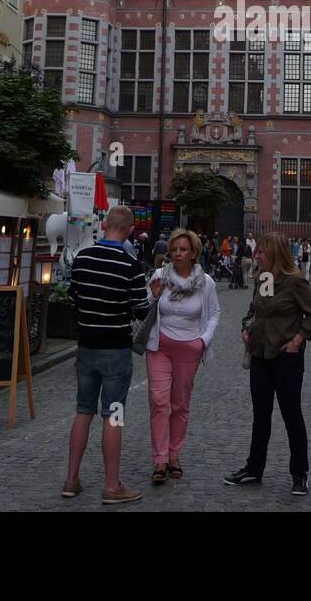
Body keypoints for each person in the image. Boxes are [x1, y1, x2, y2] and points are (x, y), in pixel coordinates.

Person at [63, 204, 151, 504]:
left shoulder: (83, 258)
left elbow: (73, 298)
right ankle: (112, 486)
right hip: (115, 348)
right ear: (129, 230)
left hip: (86, 346)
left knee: (82, 411)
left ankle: (71, 479)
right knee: (113, 416)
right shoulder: (130, 264)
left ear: (105, 226)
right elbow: (141, 309)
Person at [225, 233, 311, 496]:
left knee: (292, 415)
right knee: (261, 414)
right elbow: (255, 311)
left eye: (262, 252)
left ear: (275, 254)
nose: (258, 255)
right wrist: (247, 328)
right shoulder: (263, 279)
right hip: (260, 354)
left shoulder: (295, 282)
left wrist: (298, 339)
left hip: (286, 357)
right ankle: (254, 468)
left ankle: (300, 472)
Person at [145, 229, 220, 485]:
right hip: (160, 346)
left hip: (189, 348)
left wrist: (203, 341)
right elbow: (145, 307)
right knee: (158, 401)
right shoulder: (159, 276)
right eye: (174, 249)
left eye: (183, 249)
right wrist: (154, 295)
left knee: (180, 404)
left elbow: (213, 315)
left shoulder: (206, 282)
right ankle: (159, 458)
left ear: (193, 253)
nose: (177, 253)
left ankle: (174, 454)